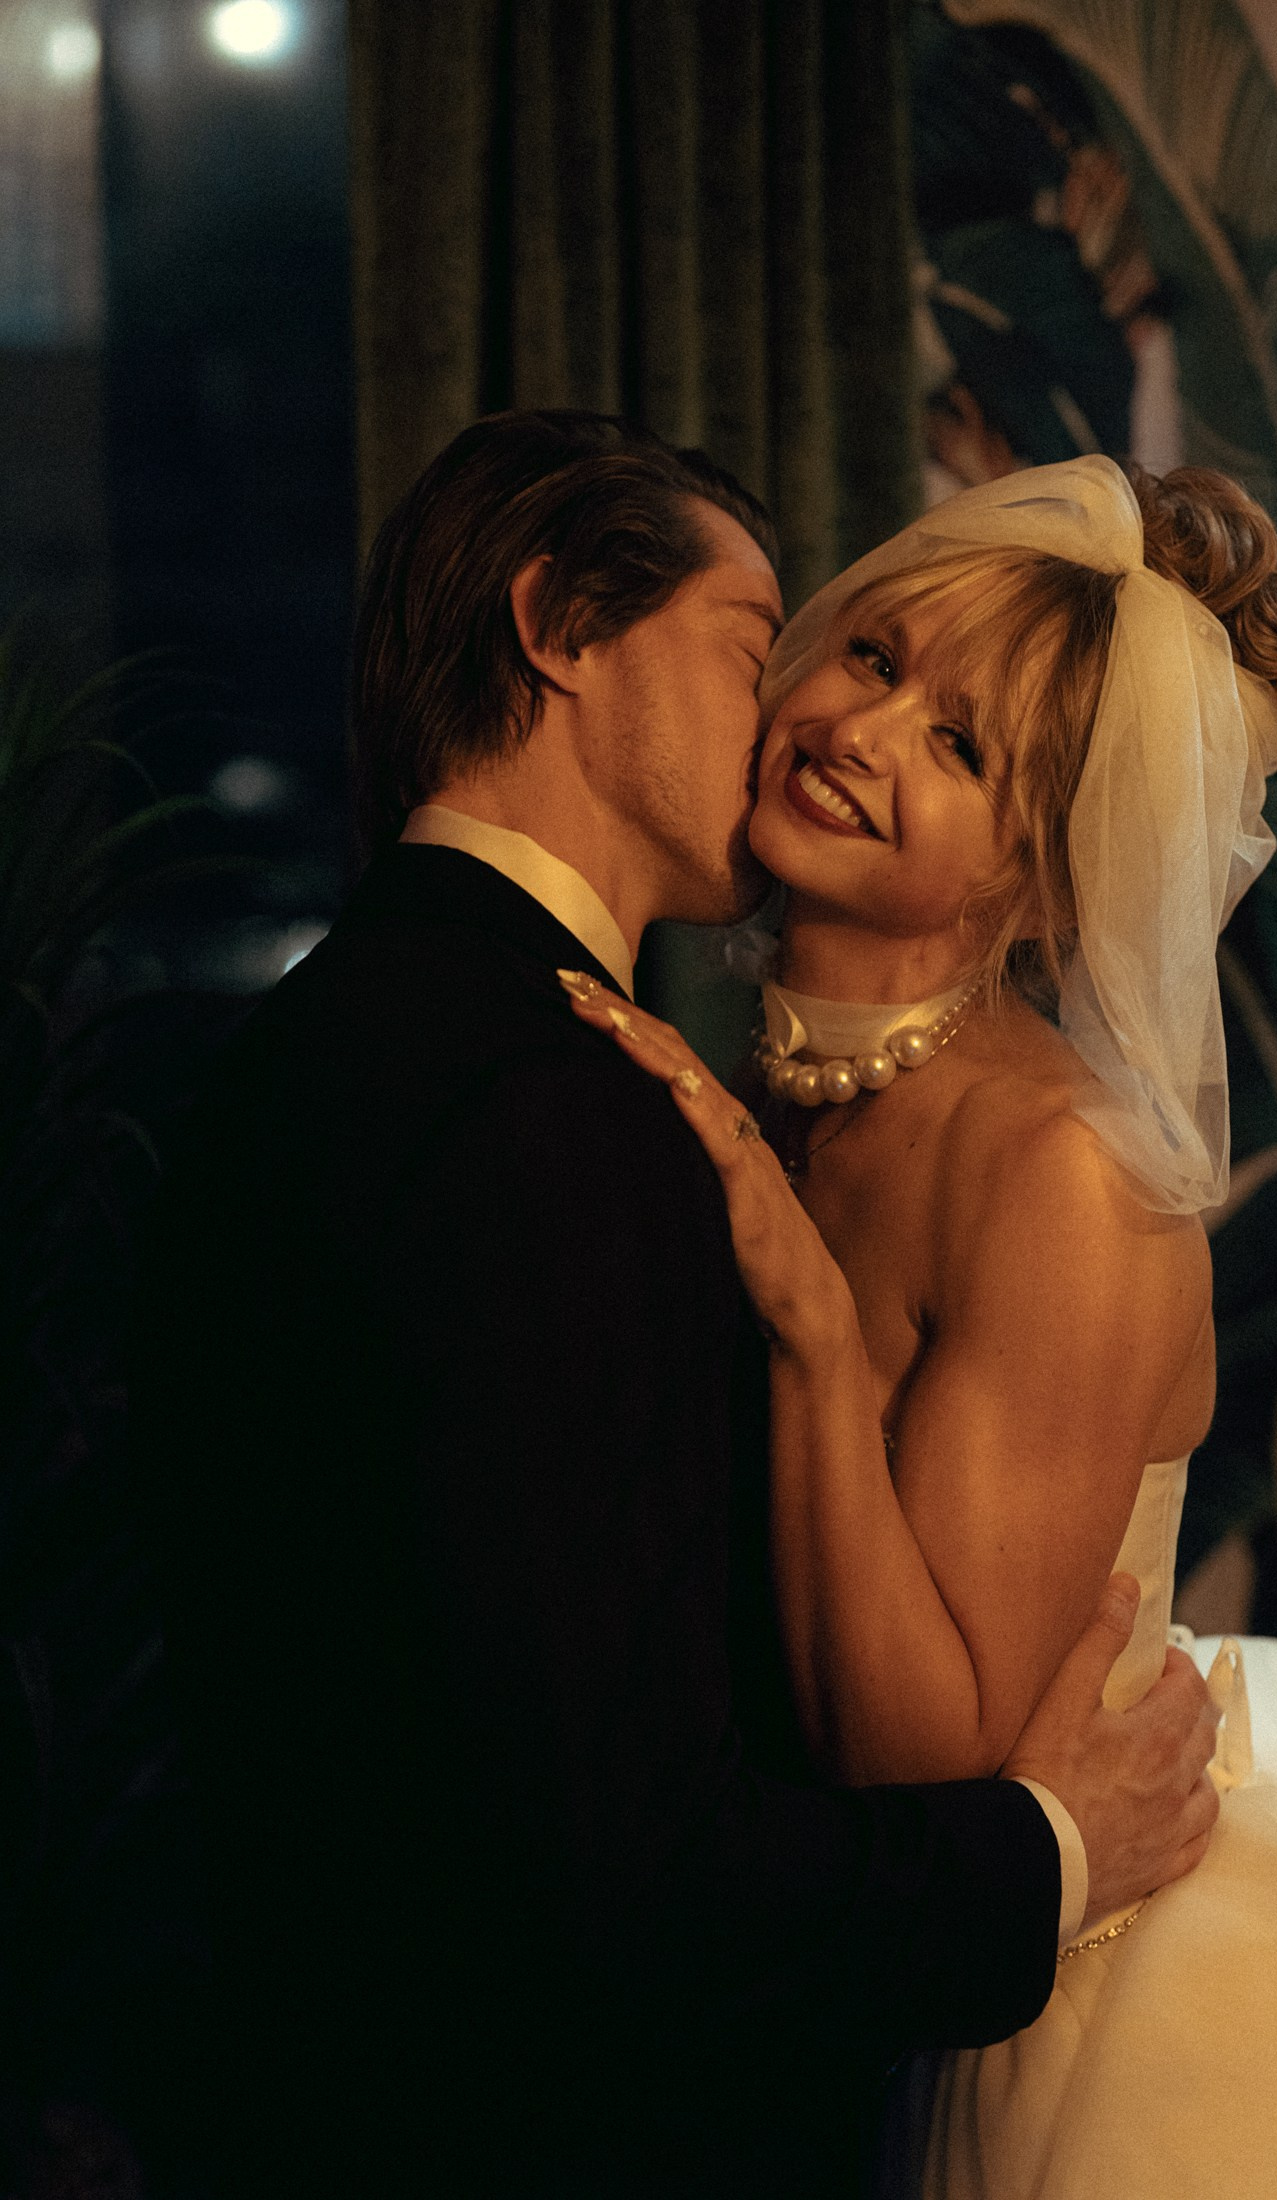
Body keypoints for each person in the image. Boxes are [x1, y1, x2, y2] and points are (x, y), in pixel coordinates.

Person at [127, 415, 1220, 2200]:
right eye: (812, 650)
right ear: (562, 627)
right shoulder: (570, 1102)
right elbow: (615, 1851)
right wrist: (1048, 1852)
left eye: (959, 742)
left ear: (1036, 871)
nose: (820, 718)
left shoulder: (333, 1052)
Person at [569, 453, 1277, 2197]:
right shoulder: (778, 1092)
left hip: (1081, 2004)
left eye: (962, 747)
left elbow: (932, 1755)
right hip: (823, 1974)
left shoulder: (1057, 1174)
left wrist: (819, 1345)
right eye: (874, 657)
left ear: (1047, 883)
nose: (861, 733)